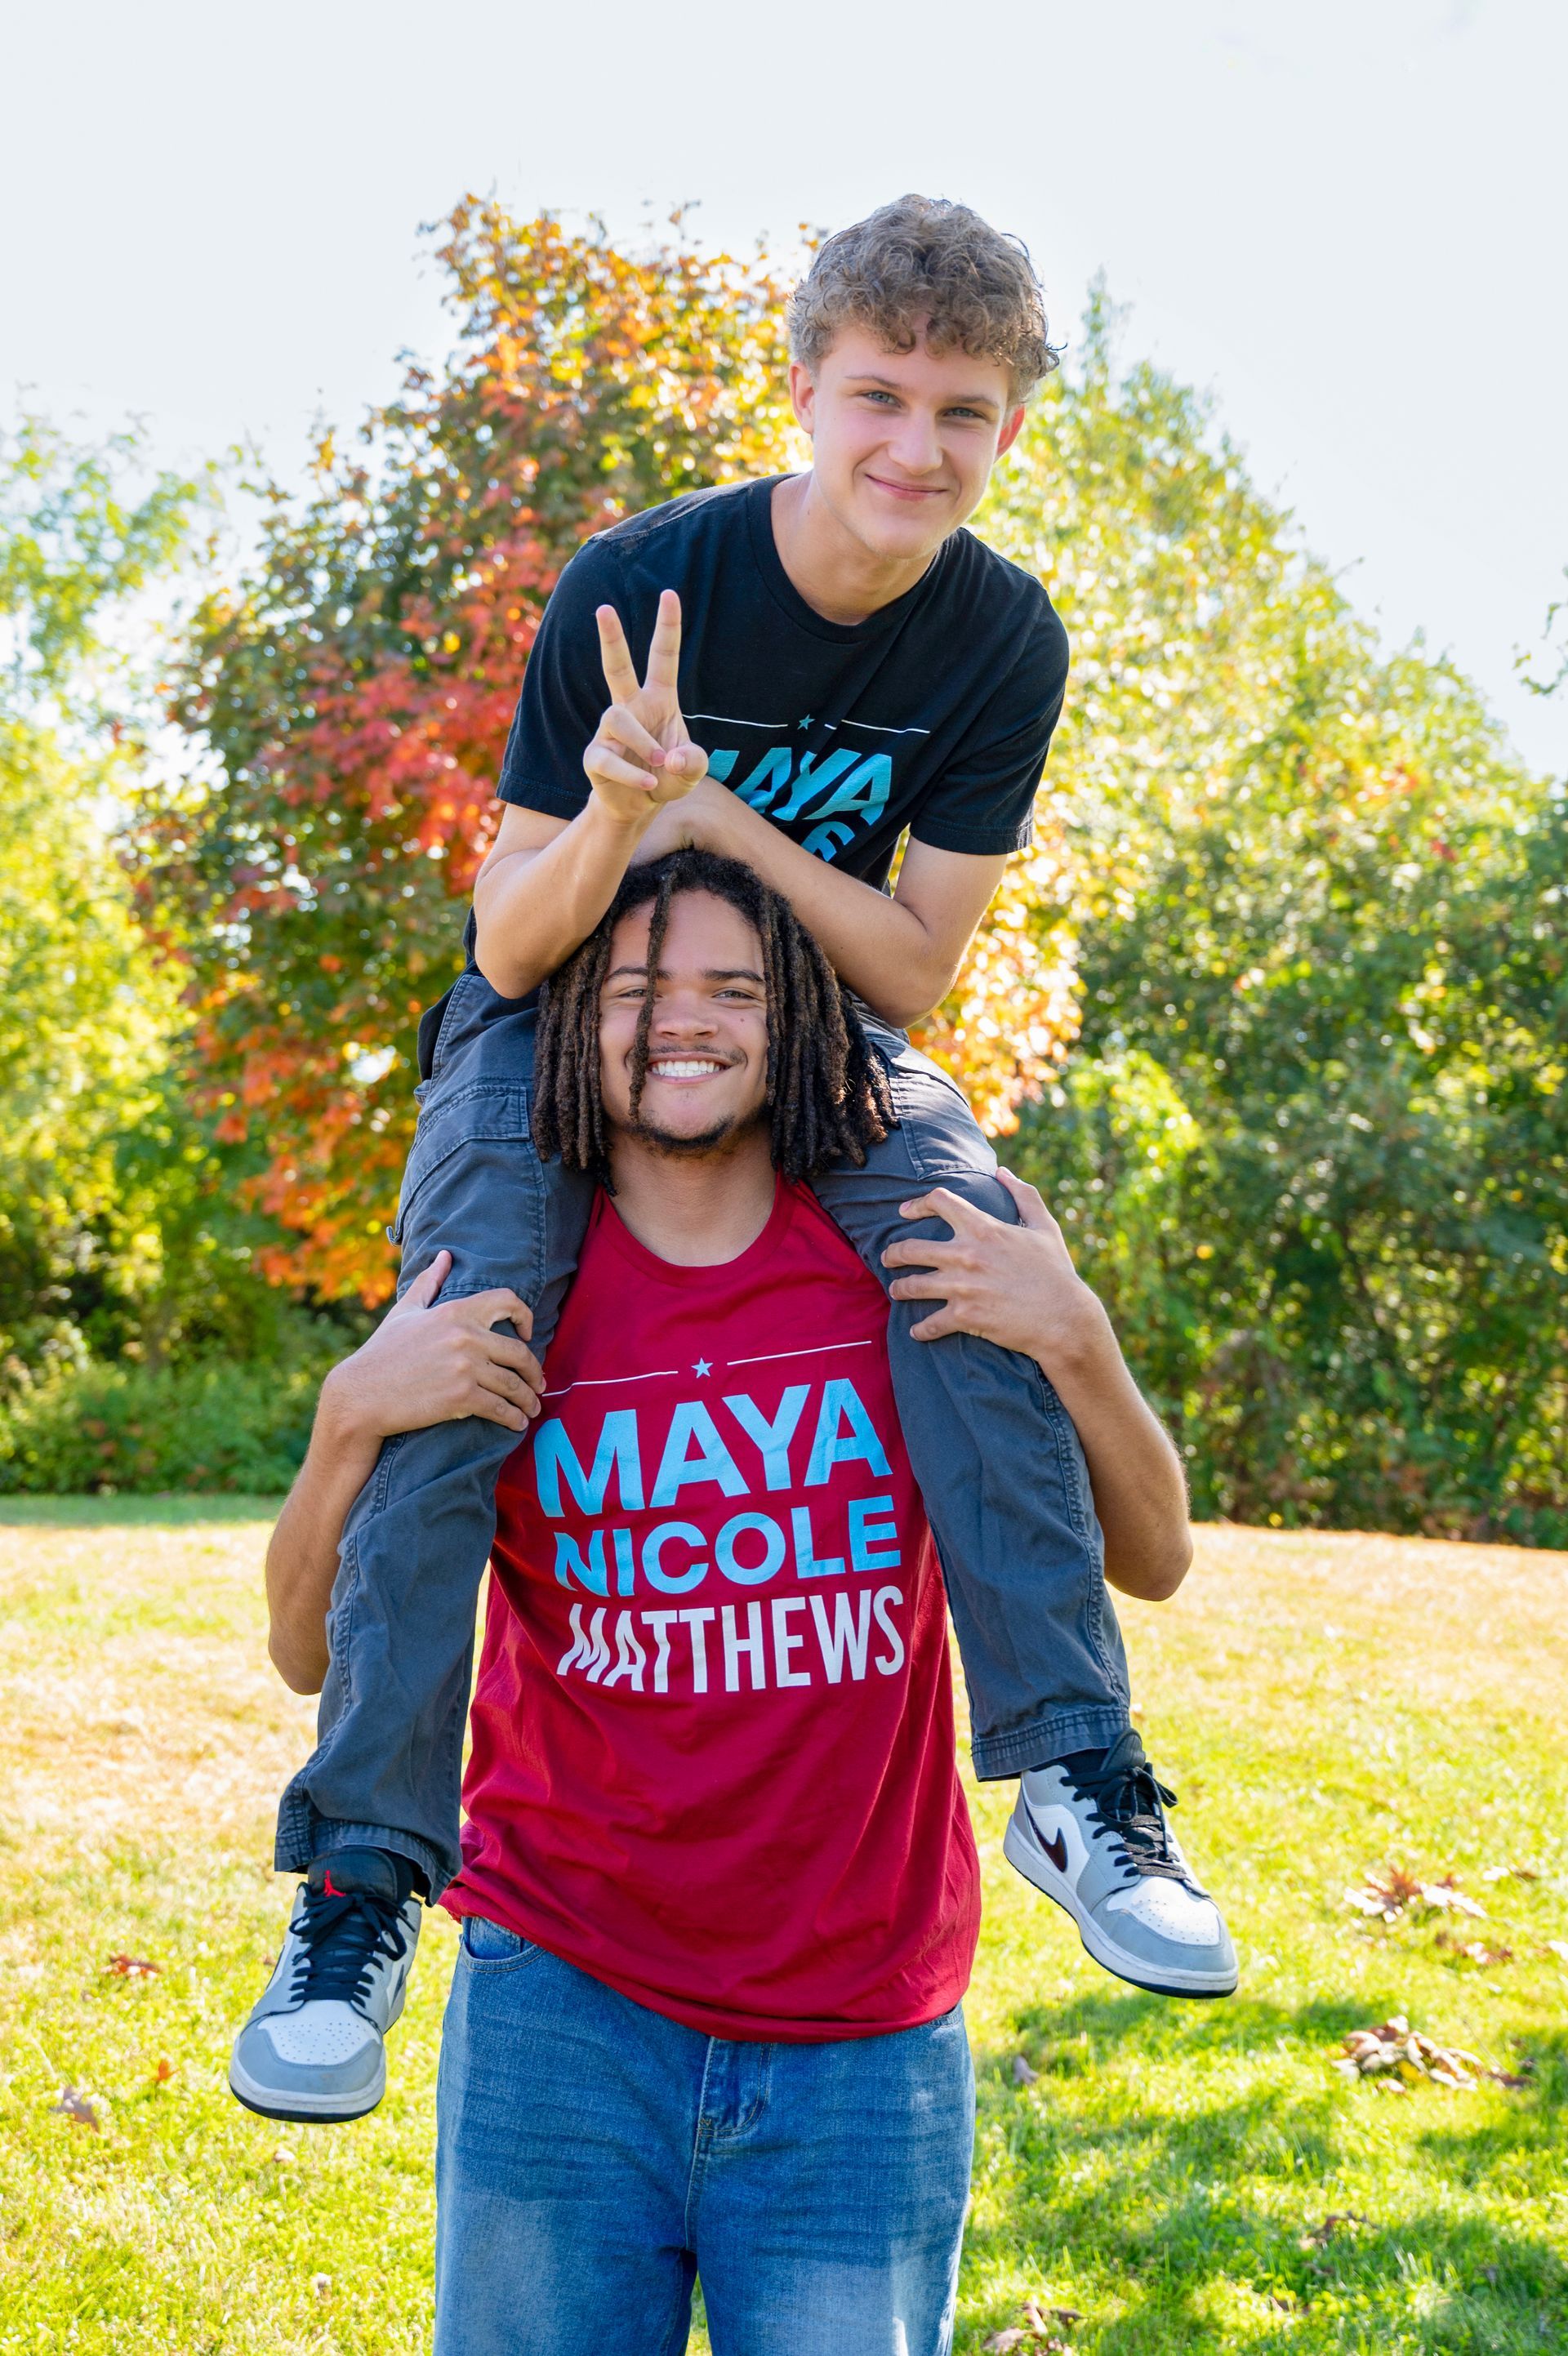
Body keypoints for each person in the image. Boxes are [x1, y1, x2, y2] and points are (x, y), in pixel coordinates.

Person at [238, 194, 1236, 2126]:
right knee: (460, 1338)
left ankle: (1081, 1783)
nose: (913, 448)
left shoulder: (1000, 639)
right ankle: (360, 1881)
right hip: (555, 1024)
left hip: (815, 1027)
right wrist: (622, 814)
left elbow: (916, 974)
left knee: (965, 1239)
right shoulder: (641, 582)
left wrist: (727, 818)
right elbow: (509, 946)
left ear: (1012, 428)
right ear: (803, 393)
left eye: (963, 412)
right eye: (878, 396)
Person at [245, 858, 1204, 2353]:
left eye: (731, 989)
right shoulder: (510, 1289)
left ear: (801, 1015)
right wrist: (345, 1416)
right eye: (634, 990)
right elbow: (309, 1646)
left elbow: (1151, 1555)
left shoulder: (905, 1265)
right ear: (569, 1020)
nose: (680, 1022)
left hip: (863, 2032)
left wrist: (1080, 1338)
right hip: (561, 2009)